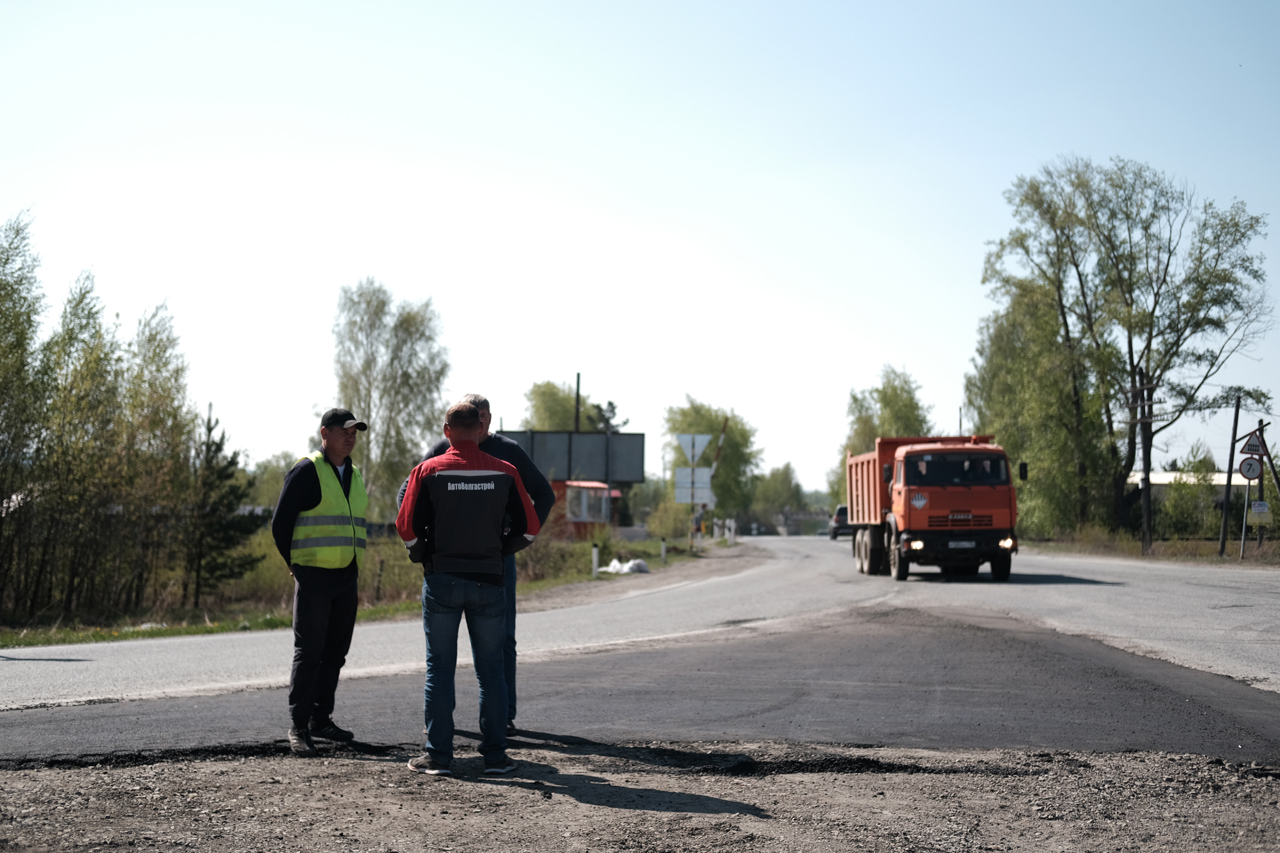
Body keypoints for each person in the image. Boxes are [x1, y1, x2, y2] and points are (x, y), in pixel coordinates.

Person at [397, 402, 541, 776]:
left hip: (442, 580)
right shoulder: (505, 470)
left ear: (447, 431)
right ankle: (495, 756)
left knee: (439, 670)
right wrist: (499, 551)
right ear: (479, 429)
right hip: (489, 582)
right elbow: (530, 527)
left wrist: (422, 556)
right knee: (491, 672)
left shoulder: (427, 470)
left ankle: (439, 756)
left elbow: (406, 525)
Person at [271, 408, 369, 758]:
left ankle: (320, 719)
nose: (351, 436)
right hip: (314, 577)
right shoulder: (306, 471)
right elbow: (280, 525)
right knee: (309, 652)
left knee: (335, 653)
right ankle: (298, 726)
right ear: (324, 433)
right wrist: (295, 566)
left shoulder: (355, 473)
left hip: (346, 576)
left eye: (355, 431)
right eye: (345, 431)